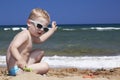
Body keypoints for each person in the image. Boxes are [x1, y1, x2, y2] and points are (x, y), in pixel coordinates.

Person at [6, 8, 57, 76]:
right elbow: (13, 47)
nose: (41, 30)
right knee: (45, 66)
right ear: (29, 23)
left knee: (40, 52)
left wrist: (52, 30)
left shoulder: (31, 36)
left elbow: (41, 39)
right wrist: (20, 60)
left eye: (45, 29)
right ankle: (26, 72)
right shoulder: (24, 34)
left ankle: (28, 70)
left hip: (23, 66)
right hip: (15, 69)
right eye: (39, 26)